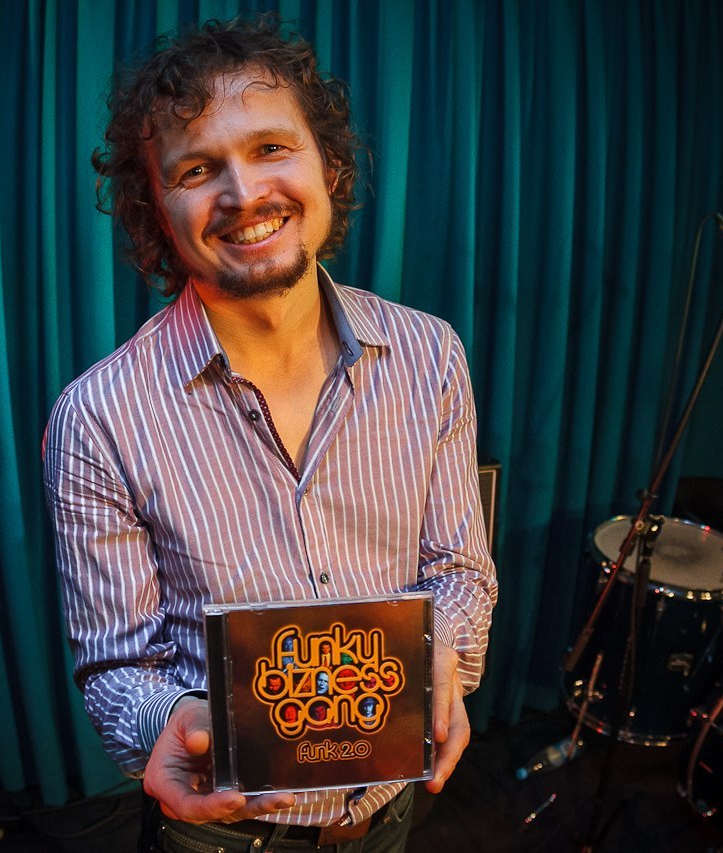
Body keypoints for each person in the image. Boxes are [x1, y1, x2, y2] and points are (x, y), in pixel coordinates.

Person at [43, 14, 497, 853]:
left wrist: (445, 649)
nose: (244, 194)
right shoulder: (97, 417)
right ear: (158, 211)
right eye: (197, 169)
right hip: (225, 834)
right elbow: (116, 668)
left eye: (271, 149)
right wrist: (167, 720)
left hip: (388, 814)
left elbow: (460, 571)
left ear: (329, 166)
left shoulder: (431, 355)